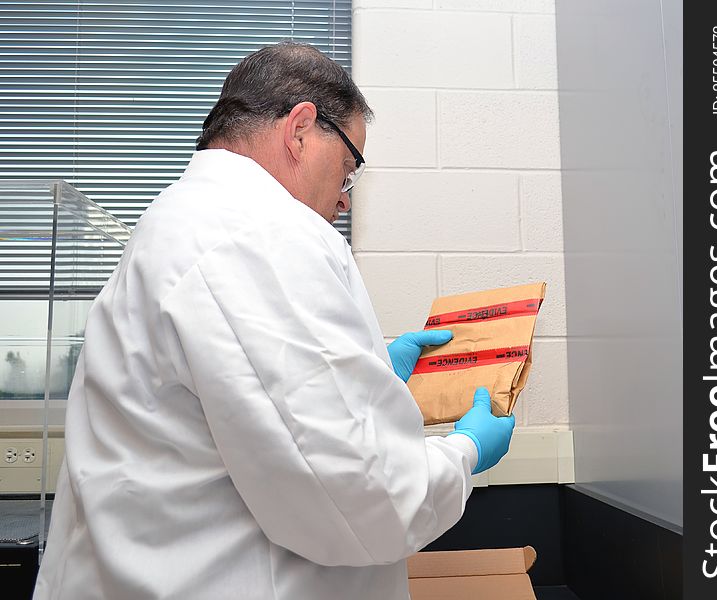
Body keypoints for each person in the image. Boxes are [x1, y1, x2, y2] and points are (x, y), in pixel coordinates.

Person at [34, 42, 515, 600]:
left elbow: (244, 406)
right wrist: (465, 452)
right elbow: (364, 501)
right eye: (349, 167)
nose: (345, 200)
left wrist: (369, 373)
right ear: (301, 129)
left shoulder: (182, 220)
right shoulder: (258, 234)